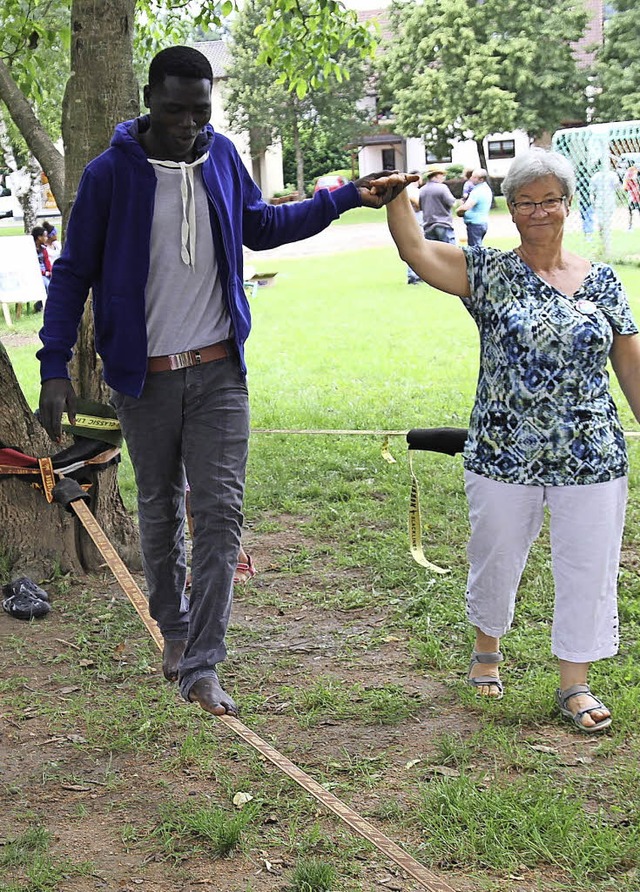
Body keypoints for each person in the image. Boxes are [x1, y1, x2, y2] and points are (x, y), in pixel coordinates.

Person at [36, 45, 410, 718]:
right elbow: (71, 273)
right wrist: (54, 364)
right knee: (157, 507)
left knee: (219, 513)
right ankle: (173, 631)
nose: (188, 124)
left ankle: (204, 663)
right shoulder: (109, 176)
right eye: (175, 109)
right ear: (149, 101)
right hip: (144, 381)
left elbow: (261, 227)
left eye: (200, 110)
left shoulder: (223, 157)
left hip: (219, 373)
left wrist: (347, 198)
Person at [373, 148, 640, 733]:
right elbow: (415, 250)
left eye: (549, 199)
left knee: (588, 567)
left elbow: (631, 368)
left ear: (567, 205)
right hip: (502, 451)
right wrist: (396, 197)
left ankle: (575, 685)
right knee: (495, 556)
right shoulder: (488, 272)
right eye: (526, 202)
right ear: (511, 212)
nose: (539, 211)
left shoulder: (604, 282)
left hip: (592, 453)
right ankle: (486, 651)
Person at [418, 164, 456, 245]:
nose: (443, 177)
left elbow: (420, 207)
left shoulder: (422, 190)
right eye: (442, 175)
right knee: (450, 252)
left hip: (428, 226)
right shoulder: (442, 188)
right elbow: (452, 203)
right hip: (443, 224)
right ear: (436, 175)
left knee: (434, 254)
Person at [456, 168, 492, 246]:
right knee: (478, 248)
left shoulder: (477, 191)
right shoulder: (486, 188)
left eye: (474, 177)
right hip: (482, 222)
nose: (471, 179)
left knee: (475, 251)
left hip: (475, 224)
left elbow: (466, 207)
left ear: (481, 179)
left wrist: (458, 211)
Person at [406, 170, 423, 284]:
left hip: (416, 221)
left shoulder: (414, 190)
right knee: (413, 248)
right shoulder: (411, 190)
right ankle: (412, 275)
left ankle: (418, 274)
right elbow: (417, 203)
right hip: (414, 221)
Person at [31, 225, 51, 311]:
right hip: (37, 273)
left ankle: (40, 305)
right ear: (39, 237)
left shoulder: (43, 249)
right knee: (47, 284)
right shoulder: (31, 249)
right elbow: (32, 265)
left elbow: (47, 261)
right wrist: (44, 273)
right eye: (45, 236)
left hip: (45, 272)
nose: (47, 238)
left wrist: (50, 271)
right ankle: (45, 305)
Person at [622, 162, 640, 231]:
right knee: (630, 211)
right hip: (633, 195)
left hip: (636, 195)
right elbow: (626, 185)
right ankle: (630, 226)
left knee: (632, 211)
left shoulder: (634, 173)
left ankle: (630, 226)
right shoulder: (631, 172)